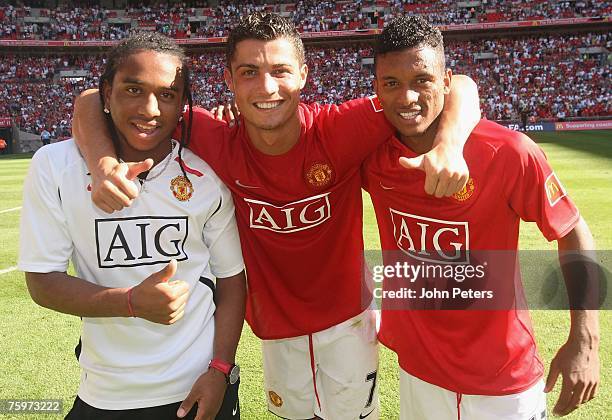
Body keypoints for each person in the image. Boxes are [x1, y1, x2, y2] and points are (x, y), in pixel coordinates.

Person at [72, 13, 481, 420]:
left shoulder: (341, 128)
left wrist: (449, 143)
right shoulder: (212, 136)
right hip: (274, 330)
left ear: (303, 74)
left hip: (348, 324)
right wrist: (102, 162)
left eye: (280, 71)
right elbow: (92, 99)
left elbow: (458, 83)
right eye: (249, 72)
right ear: (230, 81)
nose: (266, 87)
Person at [362, 15, 600, 420]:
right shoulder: (370, 152)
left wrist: (586, 339)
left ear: (445, 81)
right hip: (417, 375)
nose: (408, 98)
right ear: (377, 89)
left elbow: (572, 230)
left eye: (422, 80)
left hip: (503, 382)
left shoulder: (507, 151)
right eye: (392, 83)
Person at [18, 32, 246, 420]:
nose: (150, 109)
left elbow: (231, 280)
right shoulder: (56, 167)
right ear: (107, 94)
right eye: (133, 90)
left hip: (197, 388)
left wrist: (220, 370)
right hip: (105, 394)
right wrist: (129, 303)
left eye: (168, 94)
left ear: (182, 105)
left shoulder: (206, 177)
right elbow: (42, 281)